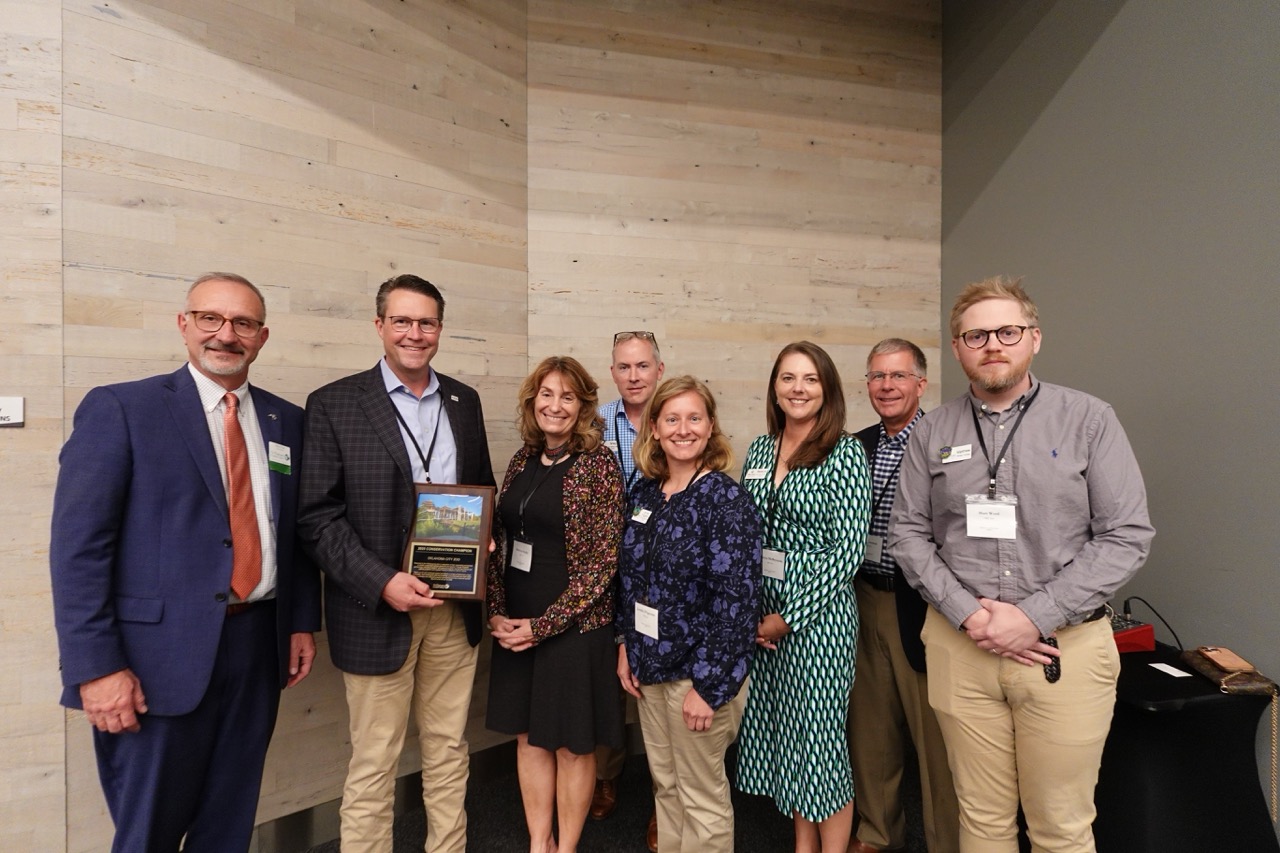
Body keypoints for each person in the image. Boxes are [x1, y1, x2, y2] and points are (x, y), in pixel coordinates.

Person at [49, 272, 321, 852]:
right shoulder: (124, 408)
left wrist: (300, 620)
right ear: (184, 324)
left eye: (243, 323)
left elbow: (293, 533)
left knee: (228, 823)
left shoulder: (288, 422)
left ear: (262, 336)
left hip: (257, 649)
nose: (226, 334)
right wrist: (96, 667)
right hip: (155, 661)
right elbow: (78, 550)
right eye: (210, 318)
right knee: (148, 830)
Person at [890, 277, 1154, 853]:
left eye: (1007, 332)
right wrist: (969, 615)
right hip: (961, 649)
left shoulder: (1088, 419)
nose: (992, 344)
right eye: (976, 335)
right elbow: (907, 534)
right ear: (957, 348)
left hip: (1064, 651)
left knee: (1060, 828)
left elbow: (1126, 535)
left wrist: (1033, 616)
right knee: (981, 821)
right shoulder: (931, 431)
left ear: (1034, 338)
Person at [297, 274, 496, 853]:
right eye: (402, 321)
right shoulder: (334, 403)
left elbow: (480, 487)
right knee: (374, 761)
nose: (415, 333)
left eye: (426, 322)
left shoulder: (464, 401)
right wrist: (382, 581)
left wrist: (484, 538)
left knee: (448, 748)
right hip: (376, 611)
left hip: (453, 610)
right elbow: (316, 518)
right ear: (380, 325)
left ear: (440, 329)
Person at [615, 375, 762, 853]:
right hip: (649, 666)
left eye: (694, 418)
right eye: (672, 419)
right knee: (667, 788)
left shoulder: (726, 500)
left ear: (711, 426)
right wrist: (626, 644)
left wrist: (710, 686)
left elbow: (737, 603)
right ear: (655, 428)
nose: (683, 429)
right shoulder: (646, 493)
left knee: (702, 798)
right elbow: (630, 579)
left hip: (696, 677)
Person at [734, 341, 871, 853]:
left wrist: (787, 617)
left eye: (810, 379)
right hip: (764, 620)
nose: (798, 388)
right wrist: (753, 614)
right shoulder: (760, 449)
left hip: (818, 623)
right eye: (788, 378)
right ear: (774, 387)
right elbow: (746, 535)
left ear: (827, 388)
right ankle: (802, 845)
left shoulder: (845, 451)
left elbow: (848, 550)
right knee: (789, 738)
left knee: (820, 746)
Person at [486, 356, 625, 853]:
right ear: (532, 401)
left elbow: (604, 563)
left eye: (568, 397)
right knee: (528, 737)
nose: (555, 405)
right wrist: (496, 611)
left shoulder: (599, 465)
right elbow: (499, 541)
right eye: (547, 394)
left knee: (571, 744)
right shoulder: (522, 459)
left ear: (584, 406)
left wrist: (542, 626)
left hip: (574, 627)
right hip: (517, 622)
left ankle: (566, 847)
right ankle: (538, 841)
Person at [848, 339, 958, 853]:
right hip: (862, 599)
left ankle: (947, 842)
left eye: (898, 376)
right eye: (877, 376)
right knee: (870, 732)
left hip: (922, 606)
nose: (886, 386)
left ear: (921, 383)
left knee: (935, 741)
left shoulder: (946, 444)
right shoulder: (855, 446)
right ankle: (877, 833)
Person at [594, 329, 666, 847]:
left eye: (643, 366)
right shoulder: (594, 423)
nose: (634, 376)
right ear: (613, 372)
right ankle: (605, 775)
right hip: (605, 567)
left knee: (658, 685)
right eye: (624, 367)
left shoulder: (678, 416)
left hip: (659, 573)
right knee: (605, 680)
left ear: (659, 370)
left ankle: (667, 799)